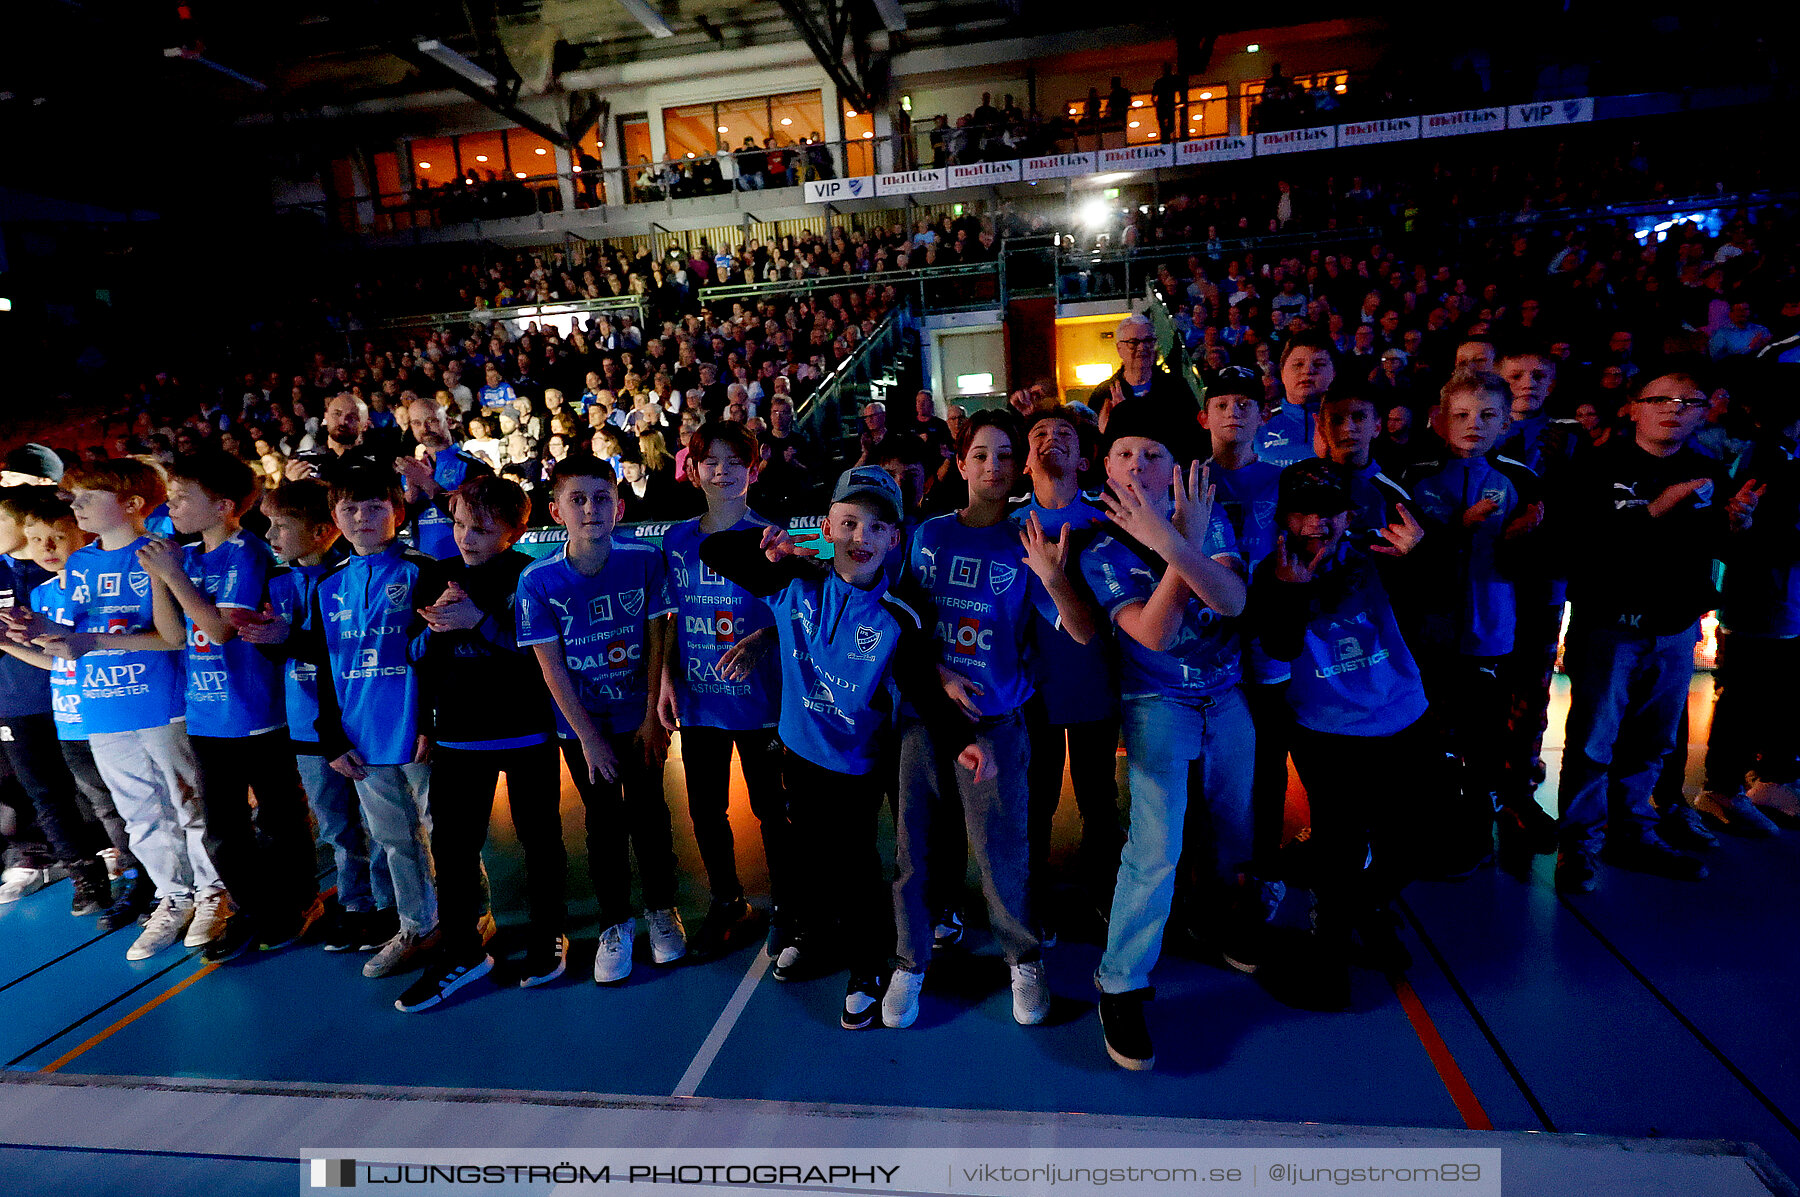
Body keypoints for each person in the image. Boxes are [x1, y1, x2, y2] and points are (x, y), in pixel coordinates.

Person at [699, 466, 989, 1030]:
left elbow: (924, 688)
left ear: (894, 540)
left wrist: (962, 743)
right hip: (799, 753)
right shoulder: (792, 584)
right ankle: (815, 934)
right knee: (808, 855)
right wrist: (792, 551)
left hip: (858, 762)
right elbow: (717, 549)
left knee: (857, 866)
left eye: (877, 527)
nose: (861, 537)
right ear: (827, 527)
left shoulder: (900, 614)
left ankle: (867, 966)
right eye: (849, 522)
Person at [884, 411, 1095, 1031]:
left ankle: (1023, 959)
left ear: (1019, 467)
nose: (993, 468)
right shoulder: (928, 537)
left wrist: (1055, 578)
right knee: (915, 852)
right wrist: (938, 677)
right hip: (925, 719)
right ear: (961, 460)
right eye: (981, 455)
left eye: (1006, 456)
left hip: (997, 722)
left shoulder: (1028, 540)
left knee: (1003, 852)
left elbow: (1082, 631)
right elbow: (902, 626)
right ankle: (910, 962)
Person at [1078, 404, 1252, 1072]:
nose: (1137, 465)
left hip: (1226, 692)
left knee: (1235, 828)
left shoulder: (1214, 510)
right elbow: (1151, 631)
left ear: (1177, 466)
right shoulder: (1101, 545)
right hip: (1158, 700)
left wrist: (1176, 540)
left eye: (1152, 453)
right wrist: (1180, 543)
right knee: (1155, 845)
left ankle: (1214, 919)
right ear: (1107, 464)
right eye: (1124, 453)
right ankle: (1120, 980)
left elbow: (1232, 599)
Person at [1, 460, 226, 961]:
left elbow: (171, 639)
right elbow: (71, 643)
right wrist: (30, 628)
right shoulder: (78, 566)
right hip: (100, 706)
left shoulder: (159, 555)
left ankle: (212, 892)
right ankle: (174, 895)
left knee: (187, 805)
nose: (74, 505)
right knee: (139, 814)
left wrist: (88, 640)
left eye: (84, 495)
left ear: (130, 505)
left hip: (157, 702)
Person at [1555, 371, 1762, 894]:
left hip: (1674, 626)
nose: (1674, 409)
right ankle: (1579, 842)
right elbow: (1593, 543)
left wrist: (1737, 524)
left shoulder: (1708, 469)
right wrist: (1662, 504)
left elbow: (1718, 546)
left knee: (1652, 743)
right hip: (1610, 627)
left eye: (1688, 401)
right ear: (1633, 408)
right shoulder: (1598, 466)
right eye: (1661, 400)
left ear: (1702, 412)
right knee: (1593, 741)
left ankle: (1635, 830)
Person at [1251, 457, 1430, 1011]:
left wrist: (1422, 558)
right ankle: (1327, 962)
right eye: (1304, 513)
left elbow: (1433, 607)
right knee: (1341, 848)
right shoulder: (1270, 571)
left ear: (1348, 515)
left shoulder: (1381, 553)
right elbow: (1278, 647)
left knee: (1418, 843)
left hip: (1403, 713)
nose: (1317, 525)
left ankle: (1362, 909)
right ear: (1285, 518)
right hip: (1325, 729)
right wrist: (1290, 590)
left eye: (1329, 513)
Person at [140, 452, 322, 962]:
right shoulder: (189, 556)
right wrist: (159, 573)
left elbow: (221, 629)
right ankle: (255, 908)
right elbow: (175, 634)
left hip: (257, 713)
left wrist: (174, 574)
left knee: (279, 822)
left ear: (222, 506)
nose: (171, 504)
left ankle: (295, 903)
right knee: (222, 830)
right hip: (204, 715)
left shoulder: (247, 552)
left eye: (182, 496)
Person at [400, 475, 567, 1011]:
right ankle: (461, 950)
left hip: (526, 729)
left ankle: (549, 933)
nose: (466, 537)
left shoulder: (530, 576)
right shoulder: (438, 576)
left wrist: (478, 622)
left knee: (539, 838)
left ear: (514, 531)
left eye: (481, 529)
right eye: (459, 525)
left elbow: (540, 652)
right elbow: (417, 655)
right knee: (451, 847)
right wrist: (434, 629)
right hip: (457, 735)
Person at [516, 457, 686, 984]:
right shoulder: (537, 580)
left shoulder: (644, 558)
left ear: (620, 504)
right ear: (556, 510)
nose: (591, 508)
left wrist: (653, 710)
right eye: (578, 499)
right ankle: (616, 922)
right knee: (603, 821)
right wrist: (588, 738)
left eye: (602, 497)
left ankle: (662, 909)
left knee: (651, 814)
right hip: (582, 725)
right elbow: (551, 666)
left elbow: (659, 633)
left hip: (638, 717)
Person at [239, 480, 394, 953]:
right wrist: (267, 640)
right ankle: (354, 905)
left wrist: (290, 637)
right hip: (305, 726)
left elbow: (357, 646)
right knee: (336, 826)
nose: (271, 535)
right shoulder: (279, 582)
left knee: (379, 824)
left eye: (282, 526)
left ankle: (390, 908)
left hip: (359, 722)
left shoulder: (352, 577)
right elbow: (276, 655)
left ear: (325, 531)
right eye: (268, 524)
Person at [1402, 371, 1551, 860]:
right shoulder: (1413, 474)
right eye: (1461, 415)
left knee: (1483, 728)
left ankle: (1477, 822)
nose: (1473, 425)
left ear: (1506, 423)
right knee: (1427, 726)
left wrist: (1517, 541)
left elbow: (1532, 565)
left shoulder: (1521, 479)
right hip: (1427, 628)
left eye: (1488, 416)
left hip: (1491, 627)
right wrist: (1457, 530)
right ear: (1440, 421)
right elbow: (1406, 555)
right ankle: (1424, 819)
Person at [656, 423, 791, 959]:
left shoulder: (770, 536)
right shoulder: (676, 540)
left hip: (761, 705)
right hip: (700, 702)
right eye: (710, 461)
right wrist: (666, 679)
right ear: (692, 471)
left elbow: (797, 613)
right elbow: (667, 617)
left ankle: (788, 906)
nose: (722, 470)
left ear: (752, 471)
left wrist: (763, 640)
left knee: (773, 810)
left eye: (735, 461)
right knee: (705, 810)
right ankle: (727, 900)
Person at [305, 469, 447, 979]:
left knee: (445, 832)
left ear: (398, 513)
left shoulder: (424, 570)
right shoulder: (327, 585)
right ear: (334, 519)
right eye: (349, 509)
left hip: (418, 731)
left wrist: (434, 718)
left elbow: (440, 653)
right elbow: (323, 665)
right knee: (394, 839)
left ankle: (468, 921)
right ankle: (418, 926)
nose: (361, 518)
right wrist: (333, 738)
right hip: (361, 737)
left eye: (373, 507)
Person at [1011, 409, 1121, 939]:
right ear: (1026, 462)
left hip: (1098, 686)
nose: (1051, 440)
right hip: (1037, 692)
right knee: (1037, 798)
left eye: (1065, 435)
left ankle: (1103, 891)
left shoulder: (1110, 519)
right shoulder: (1009, 529)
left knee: (1099, 797)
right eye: (1039, 436)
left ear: (1085, 458)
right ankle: (1035, 897)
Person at [1196, 368, 1291, 914]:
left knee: (1268, 759)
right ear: (1204, 416)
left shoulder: (1283, 480)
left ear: (1262, 416)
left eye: (1246, 403)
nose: (1234, 412)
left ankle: (1264, 868)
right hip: (1203, 643)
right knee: (1209, 764)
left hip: (1263, 641)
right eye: (1223, 402)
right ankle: (1209, 870)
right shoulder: (1184, 478)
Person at [0, 490, 115, 916]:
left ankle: (131, 862)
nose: (45, 545)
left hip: (84, 695)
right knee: (46, 794)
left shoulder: (72, 567)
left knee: (109, 792)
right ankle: (84, 873)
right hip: (15, 701)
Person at [400, 398, 493, 561]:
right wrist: (411, 499)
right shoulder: (411, 470)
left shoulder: (472, 466)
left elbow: (478, 518)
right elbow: (395, 526)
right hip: (425, 565)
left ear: (449, 421)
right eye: (416, 423)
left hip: (465, 563)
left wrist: (428, 484)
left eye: (432, 420)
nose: (425, 428)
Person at [1088, 315, 1196, 431]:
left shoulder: (1176, 388)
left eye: (1148, 341)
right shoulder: (1103, 395)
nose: (1142, 347)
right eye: (1133, 342)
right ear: (1119, 349)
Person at [1255, 332, 1336, 469]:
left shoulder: (1348, 423)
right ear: (1282, 373)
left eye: (1319, 364)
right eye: (1298, 364)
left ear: (1333, 373)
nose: (1308, 370)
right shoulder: (1258, 423)